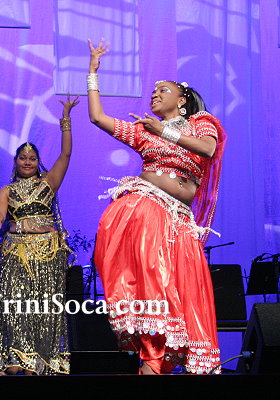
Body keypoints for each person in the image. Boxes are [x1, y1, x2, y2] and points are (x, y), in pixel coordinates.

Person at [86, 39, 227, 374]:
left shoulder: (200, 121)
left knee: (180, 299)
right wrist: (93, 72)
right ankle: (149, 356)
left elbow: (207, 149)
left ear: (182, 100)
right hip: (147, 208)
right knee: (152, 285)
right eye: (153, 91)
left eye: (163, 90)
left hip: (180, 221)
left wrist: (163, 130)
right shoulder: (144, 132)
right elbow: (97, 117)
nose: (155, 94)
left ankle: (155, 365)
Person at [0, 95, 78, 375]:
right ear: (15, 162)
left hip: (48, 253)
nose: (28, 161)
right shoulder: (7, 190)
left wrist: (66, 119)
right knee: (16, 307)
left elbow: (66, 155)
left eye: (32, 158)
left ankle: (41, 361)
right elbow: (1, 213)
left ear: (38, 162)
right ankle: (16, 359)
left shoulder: (49, 183)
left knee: (44, 307)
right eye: (23, 158)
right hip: (17, 253)